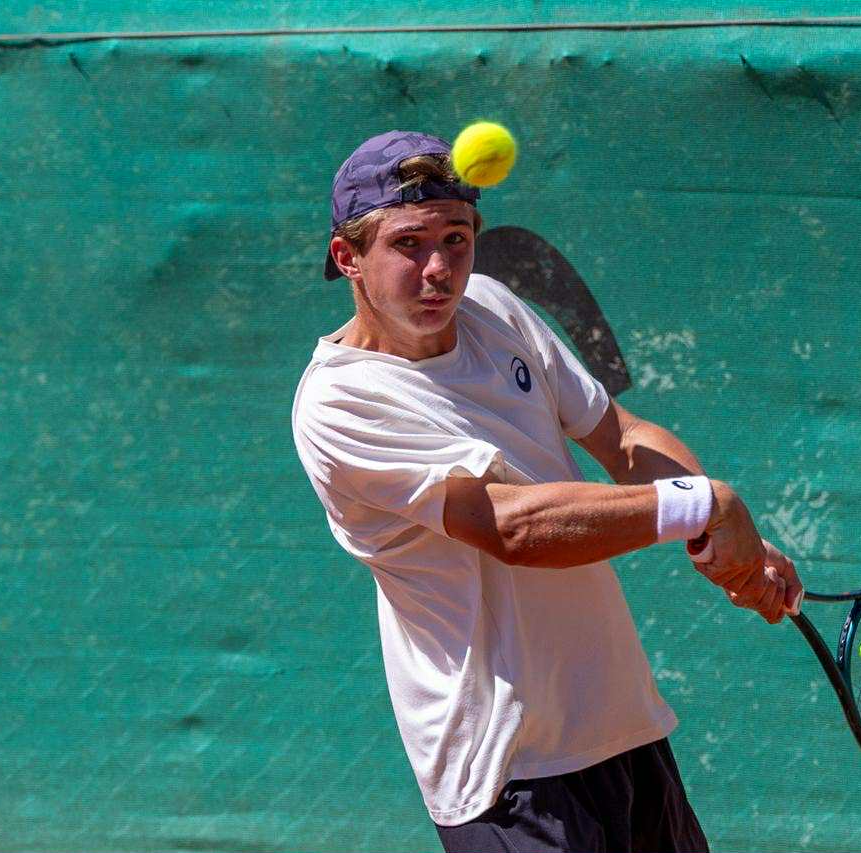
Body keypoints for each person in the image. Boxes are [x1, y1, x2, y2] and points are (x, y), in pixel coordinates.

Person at [290, 129, 803, 853]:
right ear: (349, 257)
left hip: (621, 727)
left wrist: (728, 540)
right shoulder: (340, 401)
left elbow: (621, 437)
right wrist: (705, 505)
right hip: (509, 772)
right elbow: (512, 527)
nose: (439, 269)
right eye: (408, 244)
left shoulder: (493, 307)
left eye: (456, 239)